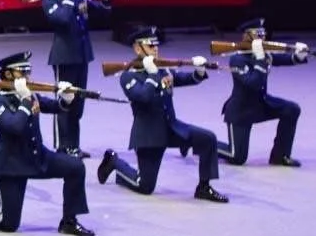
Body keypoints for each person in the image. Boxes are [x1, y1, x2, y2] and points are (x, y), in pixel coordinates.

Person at [0, 53, 95, 236]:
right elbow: (14, 127)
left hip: (37, 158)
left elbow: (56, 107)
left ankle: (69, 221)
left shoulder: (30, 95)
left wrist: (66, 98)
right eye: (23, 72)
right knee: (7, 223)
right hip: (11, 165)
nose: (28, 77)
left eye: (29, 72)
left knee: (75, 167)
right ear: (9, 75)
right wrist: (26, 101)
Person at [97, 25, 229, 202]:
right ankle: (115, 162)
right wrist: (152, 75)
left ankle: (204, 187)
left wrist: (199, 71)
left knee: (208, 139)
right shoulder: (128, 76)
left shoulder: (162, 69)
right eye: (150, 46)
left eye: (156, 45)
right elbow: (143, 96)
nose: (156, 49)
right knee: (144, 186)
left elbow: (185, 79)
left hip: (171, 128)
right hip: (149, 136)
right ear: (138, 48)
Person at [42, 0, 112, 159]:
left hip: (82, 55)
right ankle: (63, 146)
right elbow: (61, 20)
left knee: (78, 102)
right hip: (64, 56)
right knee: (65, 100)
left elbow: (102, 13)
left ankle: (74, 146)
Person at [221, 18, 308, 167]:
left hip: (261, 105)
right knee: (237, 157)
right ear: (247, 36)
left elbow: (282, 59)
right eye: (258, 34)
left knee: (291, 109)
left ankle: (280, 156)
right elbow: (254, 83)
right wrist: (261, 59)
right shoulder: (237, 59)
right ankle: (201, 144)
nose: (263, 38)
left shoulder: (263, 54)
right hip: (241, 112)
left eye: (263, 34)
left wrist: (298, 56)